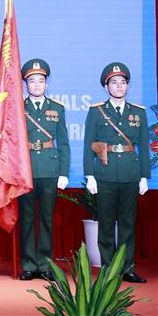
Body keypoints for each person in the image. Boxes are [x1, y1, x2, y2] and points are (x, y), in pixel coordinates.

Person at [83, 62, 150, 283]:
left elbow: (142, 144)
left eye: (123, 82)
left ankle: (127, 267)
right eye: (114, 83)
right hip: (105, 173)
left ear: (127, 86)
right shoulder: (97, 111)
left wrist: (143, 176)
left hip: (130, 174)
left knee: (128, 223)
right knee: (105, 223)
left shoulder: (138, 112)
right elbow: (88, 144)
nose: (119, 86)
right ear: (106, 86)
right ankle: (108, 269)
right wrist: (90, 175)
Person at [18, 59, 70, 281]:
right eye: (32, 81)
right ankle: (29, 264)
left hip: (49, 169)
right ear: (25, 84)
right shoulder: (18, 108)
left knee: (47, 218)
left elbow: (64, 143)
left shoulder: (56, 109)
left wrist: (64, 172)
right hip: (25, 170)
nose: (37, 85)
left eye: (41, 81)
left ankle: (45, 264)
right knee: (27, 218)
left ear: (47, 84)